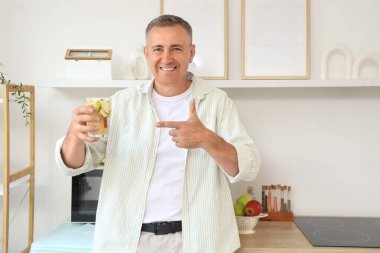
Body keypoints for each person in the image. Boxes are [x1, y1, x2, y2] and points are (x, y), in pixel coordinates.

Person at [55, 14, 260, 253]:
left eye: (176, 48)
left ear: (191, 53)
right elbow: (73, 165)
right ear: (146, 53)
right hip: (128, 241)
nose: (166, 58)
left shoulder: (217, 103)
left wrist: (207, 139)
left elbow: (249, 166)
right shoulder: (121, 103)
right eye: (158, 49)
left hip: (199, 241)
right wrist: (74, 134)